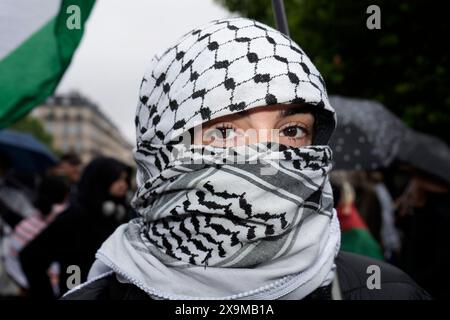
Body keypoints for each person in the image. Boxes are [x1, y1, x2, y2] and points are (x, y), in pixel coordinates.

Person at [63, 18, 430, 300]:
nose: (269, 158)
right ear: (160, 153)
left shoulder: (386, 292)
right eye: (224, 133)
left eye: (291, 131)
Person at [19, 157, 133, 299]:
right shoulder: (76, 216)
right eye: (117, 180)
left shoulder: (117, 213)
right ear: (100, 181)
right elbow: (31, 257)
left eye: (124, 180)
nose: (124, 185)